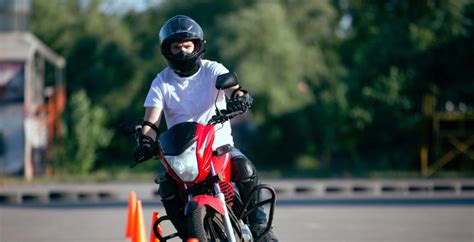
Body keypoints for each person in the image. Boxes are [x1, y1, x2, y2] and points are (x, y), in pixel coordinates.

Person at [132, 15, 278, 241]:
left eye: (187, 45)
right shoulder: (161, 82)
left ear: (198, 46)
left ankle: (260, 227)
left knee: (244, 167)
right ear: (167, 51)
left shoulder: (213, 70)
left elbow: (234, 90)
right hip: (182, 155)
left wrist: (240, 97)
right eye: (176, 47)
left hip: (218, 148)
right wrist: (145, 141)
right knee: (166, 187)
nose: (183, 51)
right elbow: (151, 122)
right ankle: (186, 233)